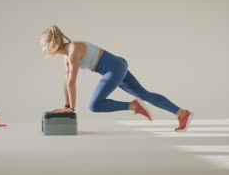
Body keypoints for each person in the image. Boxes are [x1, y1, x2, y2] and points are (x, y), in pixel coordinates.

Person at [40, 25, 193, 132]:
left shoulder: (73, 50)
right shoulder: (66, 57)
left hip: (114, 68)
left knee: (94, 105)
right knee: (143, 94)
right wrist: (67, 105)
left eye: (44, 45)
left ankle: (134, 106)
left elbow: (72, 81)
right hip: (116, 66)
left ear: (53, 43)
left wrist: (71, 109)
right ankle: (182, 114)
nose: (43, 49)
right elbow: (66, 83)